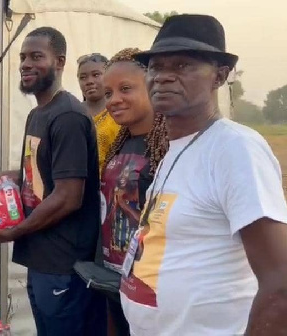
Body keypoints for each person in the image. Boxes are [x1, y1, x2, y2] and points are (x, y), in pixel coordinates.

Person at [120, 14, 287, 335]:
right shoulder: (175, 148)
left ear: (220, 76)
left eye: (183, 66)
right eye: (156, 67)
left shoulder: (234, 148)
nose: (163, 77)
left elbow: (284, 285)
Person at [0, 27, 106, 335]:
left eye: (36, 56)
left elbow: (68, 196)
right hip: (42, 256)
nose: (25, 64)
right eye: (22, 57)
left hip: (64, 262)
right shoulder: (40, 114)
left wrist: (13, 232)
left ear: (59, 62)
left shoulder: (68, 116)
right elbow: (37, 176)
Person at [99, 48, 168, 336]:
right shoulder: (121, 142)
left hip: (151, 289)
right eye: (108, 93)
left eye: (125, 89)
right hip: (114, 277)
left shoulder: (166, 146)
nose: (114, 99)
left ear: (151, 85)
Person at [77, 53, 121, 172]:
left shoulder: (118, 112)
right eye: (83, 77)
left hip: (110, 183)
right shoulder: (73, 113)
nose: (89, 81)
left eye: (96, 75)